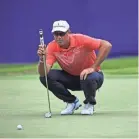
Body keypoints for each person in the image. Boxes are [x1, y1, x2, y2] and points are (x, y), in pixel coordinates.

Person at [37, 20, 112, 115]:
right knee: (45, 77)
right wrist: (41, 59)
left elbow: (106, 45)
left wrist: (93, 67)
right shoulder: (52, 47)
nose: (59, 37)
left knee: (89, 76)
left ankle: (89, 103)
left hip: (92, 77)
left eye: (62, 33)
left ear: (68, 32)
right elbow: (43, 72)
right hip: (71, 78)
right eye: (56, 34)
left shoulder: (81, 39)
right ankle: (72, 102)